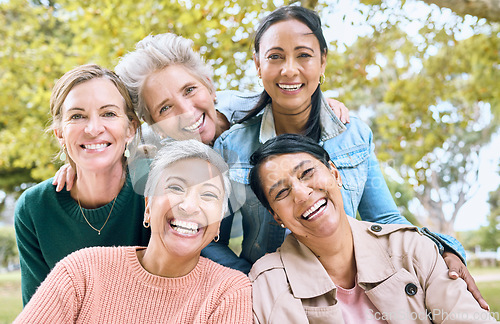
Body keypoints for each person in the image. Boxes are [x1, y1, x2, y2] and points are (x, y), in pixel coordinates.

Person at [213, 5, 488, 309]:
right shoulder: (231, 145)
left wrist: (444, 250)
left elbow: (385, 219)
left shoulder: (353, 135)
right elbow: (213, 240)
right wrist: (253, 285)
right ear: (257, 65)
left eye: (303, 55)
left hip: (348, 292)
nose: (289, 69)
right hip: (275, 300)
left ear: (323, 61)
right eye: (275, 56)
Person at [247, 133, 495, 323]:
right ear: (276, 216)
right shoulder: (269, 283)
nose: (302, 194)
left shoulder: (411, 248)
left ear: (335, 174)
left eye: (307, 173)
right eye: (281, 192)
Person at [14, 140, 252, 323]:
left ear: (219, 223)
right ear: (148, 206)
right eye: (175, 187)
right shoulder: (81, 271)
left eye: (208, 195)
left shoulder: (229, 291)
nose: (189, 206)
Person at [14, 64, 150, 305]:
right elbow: (41, 313)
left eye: (108, 113)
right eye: (77, 116)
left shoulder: (155, 186)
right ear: (59, 133)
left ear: (131, 128)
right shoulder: (34, 208)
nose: (93, 128)